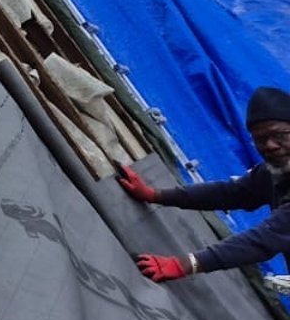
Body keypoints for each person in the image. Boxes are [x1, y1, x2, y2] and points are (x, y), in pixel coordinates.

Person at [119, 86, 290, 282]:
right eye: (260, 139)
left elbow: (266, 239)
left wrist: (184, 264)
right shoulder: (274, 173)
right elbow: (231, 193)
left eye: (279, 135)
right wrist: (155, 195)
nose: (270, 145)